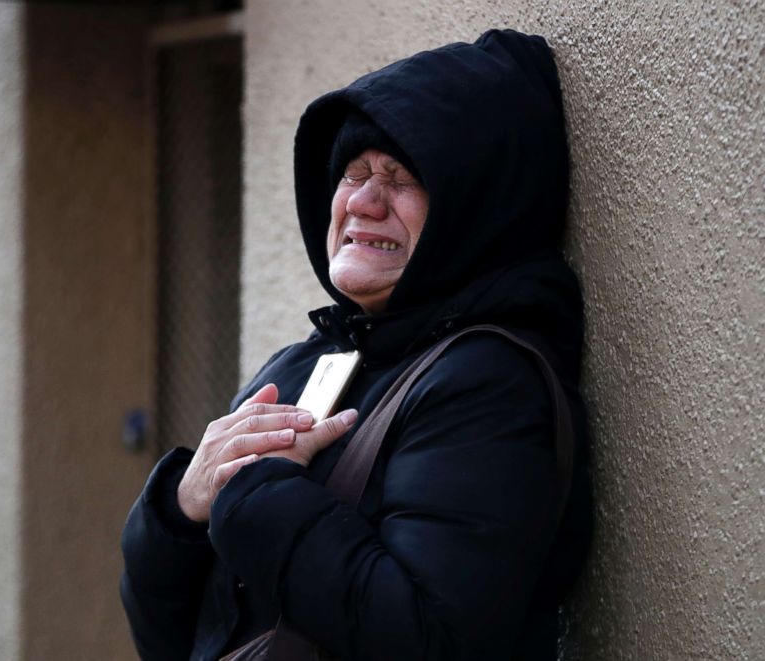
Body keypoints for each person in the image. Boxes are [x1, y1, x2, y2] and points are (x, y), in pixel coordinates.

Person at [121, 29, 592, 660]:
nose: (363, 202)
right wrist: (181, 510)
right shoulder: (305, 362)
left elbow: (433, 642)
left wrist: (255, 494)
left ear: (476, 206)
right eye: (353, 172)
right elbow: (179, 642)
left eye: (403, 176)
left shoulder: (488, 383)